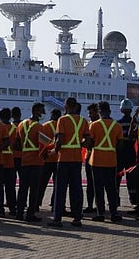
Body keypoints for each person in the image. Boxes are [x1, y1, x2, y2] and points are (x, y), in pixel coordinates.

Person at [47, 98, 90, 228]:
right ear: (76, 106)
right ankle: (77, 218)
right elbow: (88, 141)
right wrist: (78, 144)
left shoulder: (62, 120)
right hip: (76, 159)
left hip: (63, 159)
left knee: (60, 189)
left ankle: (57, 219)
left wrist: (54, 151)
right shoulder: (83, 121)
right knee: (76, 189)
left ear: (65, 106)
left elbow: (59, 140)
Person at [88, 101, 123, 222]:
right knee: (111, 188)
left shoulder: (94, 125)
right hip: (111, 160)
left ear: (99, 111)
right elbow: (120, 145)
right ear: (109, 111)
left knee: (98, 188)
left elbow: (90, 143)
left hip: (96, 160)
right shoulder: (117, 126)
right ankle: (113, 213)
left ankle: (100, 213)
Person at [15, 102, 46, 222]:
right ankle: (30, 214)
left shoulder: (21, 125)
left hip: (24, 160)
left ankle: (19, 213)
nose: (44, 113)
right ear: (37, 112)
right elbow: (43, 146)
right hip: (36, 161)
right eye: (42, 111)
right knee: (34, 190)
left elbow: (17, 144)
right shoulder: (39, 127)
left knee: (22, 188)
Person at [38, 108, 61, 211]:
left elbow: (42, 144)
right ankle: (54, 203)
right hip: (58, 158)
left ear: (51, 115)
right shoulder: (61, 125)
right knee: (57, 185)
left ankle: (37, 203)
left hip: (46, 159)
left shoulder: (45, 126)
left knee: (42, 183)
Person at [117, 98, 137, 207]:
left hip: (120, 153)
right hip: (131, 153)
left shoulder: (118, 123)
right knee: (132, 178)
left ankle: (115, 200)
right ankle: (134, 200)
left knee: (117, 178)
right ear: (131, 109)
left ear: (121, 110)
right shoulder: (135, 123)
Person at [83, 103, 99, 214]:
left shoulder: (96, 125)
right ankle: (90, 205)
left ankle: (98, 206)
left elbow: (88, 142)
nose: (89, 116)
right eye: (89, 113)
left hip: (96, 157)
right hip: (89, 157)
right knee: (90, 184)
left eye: (91, 113)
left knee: (97, 184)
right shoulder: (88, 124)